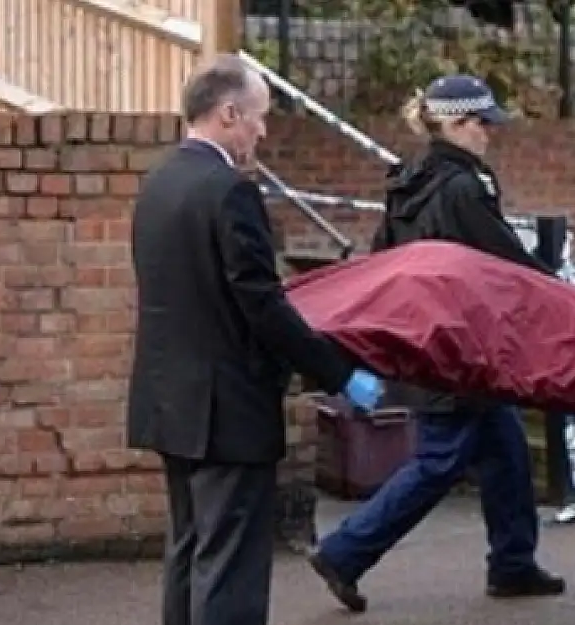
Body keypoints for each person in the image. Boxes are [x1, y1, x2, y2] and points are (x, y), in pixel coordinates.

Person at [127, 54, 383, 625]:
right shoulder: (229, 192)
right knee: (230, 565)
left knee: (190, 547)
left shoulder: (158, 183)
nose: (262, 131)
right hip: (227, 409)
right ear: (228, 113)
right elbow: (262, 305)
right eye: (259, 117)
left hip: (169, 401)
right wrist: (340, 373)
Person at [308, 74, 565, 613]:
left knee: (506, 450)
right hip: (462, 349)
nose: (488, 134)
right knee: (438, 462)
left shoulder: (410, 181)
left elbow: (385, 258)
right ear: (456, 124)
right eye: (481, 124)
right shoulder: (464, 187)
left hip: (430, 340)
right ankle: (344, 552)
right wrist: (559, 292)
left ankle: (513, 563)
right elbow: (503, 259)